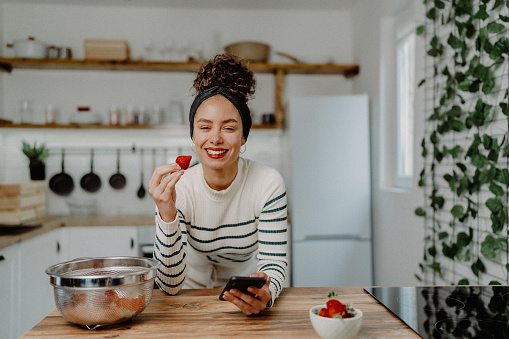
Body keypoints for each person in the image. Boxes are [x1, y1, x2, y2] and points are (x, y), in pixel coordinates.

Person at [148, 53, 288, 315]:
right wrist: (167, 215)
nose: (215, 139)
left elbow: (274, 261)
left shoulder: (268, 183)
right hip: (189, 294)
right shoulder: (178, 188)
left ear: (244, 136)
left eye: (229, 128)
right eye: (205, 127)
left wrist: (266, 293)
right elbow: (167, 286)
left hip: (245, 291)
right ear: (192, 134)